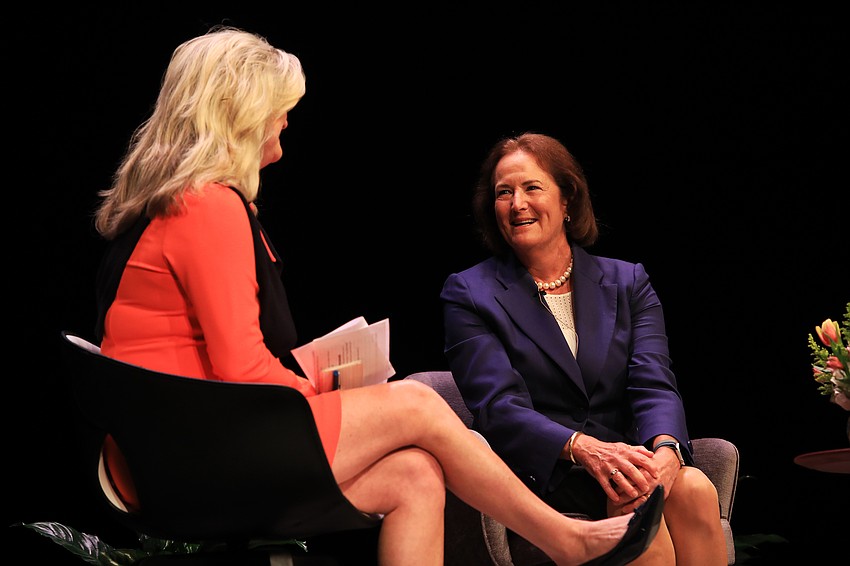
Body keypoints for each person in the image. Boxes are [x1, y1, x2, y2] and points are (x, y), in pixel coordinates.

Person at [91, 27, 662, 566]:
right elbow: (240, 372)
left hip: (175, 450)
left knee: (414, 474)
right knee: (417, 403)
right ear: (241, 112)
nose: (285, 123)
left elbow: (223, 360)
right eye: (279, 108)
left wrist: (322, 388)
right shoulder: (207, 206)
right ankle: (565, 540)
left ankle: (565, 540)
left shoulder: (172, 204)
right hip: (189, 458)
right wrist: (314, 394)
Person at [440, 132, 728, 565]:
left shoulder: (628, 282)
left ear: (567, 200)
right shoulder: (469, 292)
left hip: (624, 461)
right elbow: (498, 408)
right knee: (633, 500)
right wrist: (585, 448)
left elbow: (654, 383)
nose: (517, 203)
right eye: (504, 192)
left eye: (532, 187)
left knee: (691, 486)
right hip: (545, 472)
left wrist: (667, 452)